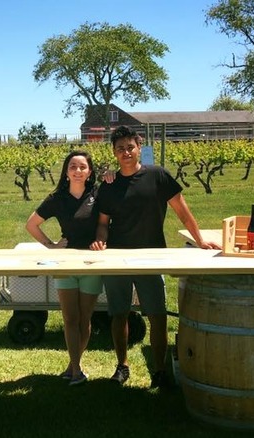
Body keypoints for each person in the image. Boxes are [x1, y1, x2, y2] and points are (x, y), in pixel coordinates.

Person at [89, 125, 221, 389]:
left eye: (130, 147)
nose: (126, 152)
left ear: (139, 147)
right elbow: (103, 221)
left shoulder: (158, 176)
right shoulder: (109, 186)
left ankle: (159, 370)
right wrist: (101, 238)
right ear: (114, 153)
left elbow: (182, 210)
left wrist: (199, 239)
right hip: (117, 258)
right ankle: (122, 366)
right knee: (119, 315)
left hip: (152, 257)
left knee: (157, 316)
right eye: (120, 149)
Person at [25, 150, 104, 386]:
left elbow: (105, 222)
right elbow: (32, 225)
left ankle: (73, 366)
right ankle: (77, 369)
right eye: (73, 166)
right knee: (70, 318)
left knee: (85, 319)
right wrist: (52, 246)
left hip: (92, 263)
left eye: (82, 167)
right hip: (65, 263)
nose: (77, 171)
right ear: (66, 171)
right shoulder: (57, 198)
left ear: (89, 172)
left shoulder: (98, 195)